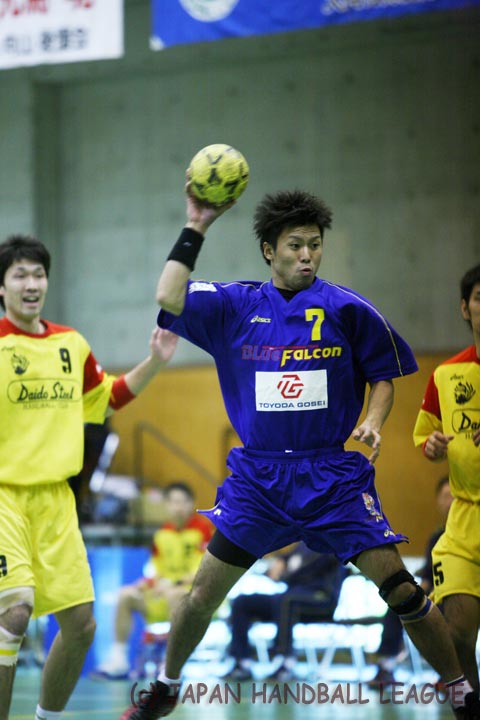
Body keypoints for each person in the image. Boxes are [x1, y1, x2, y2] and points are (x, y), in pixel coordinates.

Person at [120, 188, 478, 720]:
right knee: (201, 595)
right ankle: (166, 687)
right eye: (295, 246)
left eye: (315, 244)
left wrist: (373, 421)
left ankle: (460, 690)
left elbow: (383, 375)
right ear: (270, 250)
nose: (307, 255)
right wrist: (197, 225)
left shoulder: (348, 309)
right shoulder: (234, 306)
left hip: (332, 477)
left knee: (401, 589)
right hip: (258, 480)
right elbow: (168, 295)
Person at [0, 234, 178, 720]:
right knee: (14, 612)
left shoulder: (70, 344)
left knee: (81, 626)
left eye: (39, 274)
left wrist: (156, 361)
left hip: (57, 501)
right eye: (20, 275)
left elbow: (107, 399)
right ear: (2, 287)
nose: (31, 284)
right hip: (5, 498)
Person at [413, 262, 480, 695]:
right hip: (464, 521)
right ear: (464, 308)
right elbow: (425, 435)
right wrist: (433, 445)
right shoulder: (447, 374)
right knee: (455, 634)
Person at [93, 481, 213, 679]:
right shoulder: (162, 533)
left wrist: (172, 584)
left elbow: (204, 572)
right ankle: (119, 661)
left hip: (193, 594)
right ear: (166, 505)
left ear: (192, 504)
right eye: (173, 502)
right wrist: (143, 585)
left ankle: (171, 663)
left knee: (175, 596)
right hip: (163, 593)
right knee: (126, 595)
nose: (178, 507)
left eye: (183, 502)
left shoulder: (204, 529)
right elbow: (155, 571)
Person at [368, 475, 453, 687]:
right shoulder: (436, 537)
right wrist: (414, 595)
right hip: (436, 596)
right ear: (438, 501)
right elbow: (428, 577)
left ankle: (452, 675)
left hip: (461, 596)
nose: (449, 501)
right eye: (445, 496)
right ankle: (386, 665)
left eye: (453, 496)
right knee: (398, 605)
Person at [224, 543, 346, 682]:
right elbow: (287, 559)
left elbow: (308, 567)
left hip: (322, 599)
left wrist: (284, 572)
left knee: (285, 600)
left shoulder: (330, 540)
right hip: (289, 599)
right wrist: (279, 562)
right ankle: (242, 662)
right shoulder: (304, 542)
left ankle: (285, 662)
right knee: (242, 602)